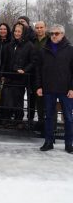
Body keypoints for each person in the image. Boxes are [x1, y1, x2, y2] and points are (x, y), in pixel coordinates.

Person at [36, 24, 73, 154]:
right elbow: (38, 70)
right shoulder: (44, 50)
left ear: (62, 34)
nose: (53, 36)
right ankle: (48, 142)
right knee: (49, 117)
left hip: (65, 90)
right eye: (51, 33)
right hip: (49, 88)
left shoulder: (70, 50)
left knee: (68, 117)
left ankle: (69, 144)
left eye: (56, 33)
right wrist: (39, 86)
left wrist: (72, 88)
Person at [2, 22, 35, 128]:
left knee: (18, 99)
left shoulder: (29, 45)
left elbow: (32, 61)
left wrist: (25, 70)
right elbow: (5, 61)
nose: (17, 33)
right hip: (9, 76)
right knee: (7, 98)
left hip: (20, 78)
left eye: (19, 31)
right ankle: (6, 120)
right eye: (15, 31)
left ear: (23, 32)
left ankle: (18, 120)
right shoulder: (10, 44)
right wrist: (3, 74)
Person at [32, 21, 50, 131]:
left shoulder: (50, 40)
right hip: (34, 73)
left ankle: (48, 126)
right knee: (37, 100)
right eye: (37, 28)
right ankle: (40, 122)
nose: (39, 29)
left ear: (45, 28)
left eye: (41, 27)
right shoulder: (32, 41)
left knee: (47, 101)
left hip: (47, 74)